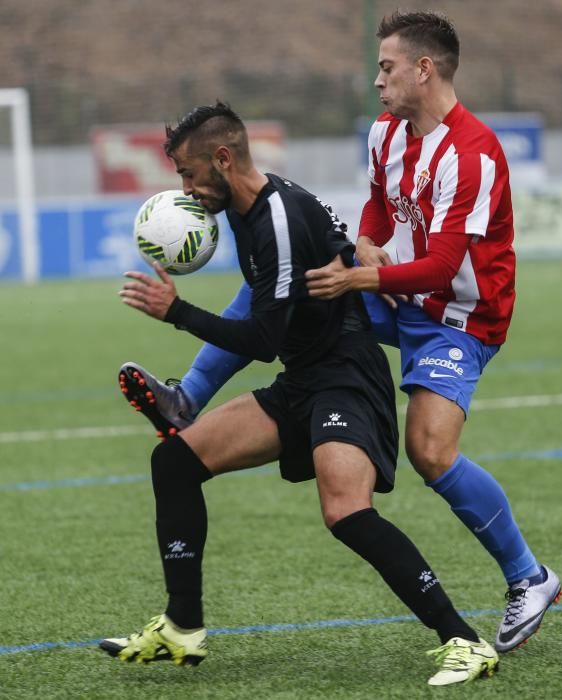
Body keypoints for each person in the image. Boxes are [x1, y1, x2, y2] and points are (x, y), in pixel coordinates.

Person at [119, 11, 561, 656]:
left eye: (386, 67)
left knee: (430, 451)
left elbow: (441, 267)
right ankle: (186, 397)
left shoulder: (474, 155)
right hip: (394, 292)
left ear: (423, 69)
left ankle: (529, 576)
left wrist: (358, 280)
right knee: (289, 284)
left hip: (457, 318)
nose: (377, 79)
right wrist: (366, 244)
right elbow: (379, 207)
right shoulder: (387, 133)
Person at [101, 102, 500, 687]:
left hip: (346, 377)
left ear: (223, 158)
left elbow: (262, 339)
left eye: (188, 174)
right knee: (175, 461)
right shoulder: (246, 209)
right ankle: (182, 627)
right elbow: (295, 294)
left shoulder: (276, 217)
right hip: (304, 378)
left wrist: (177, 312)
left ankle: (464, 641)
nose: (184, 189)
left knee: (346, 512)